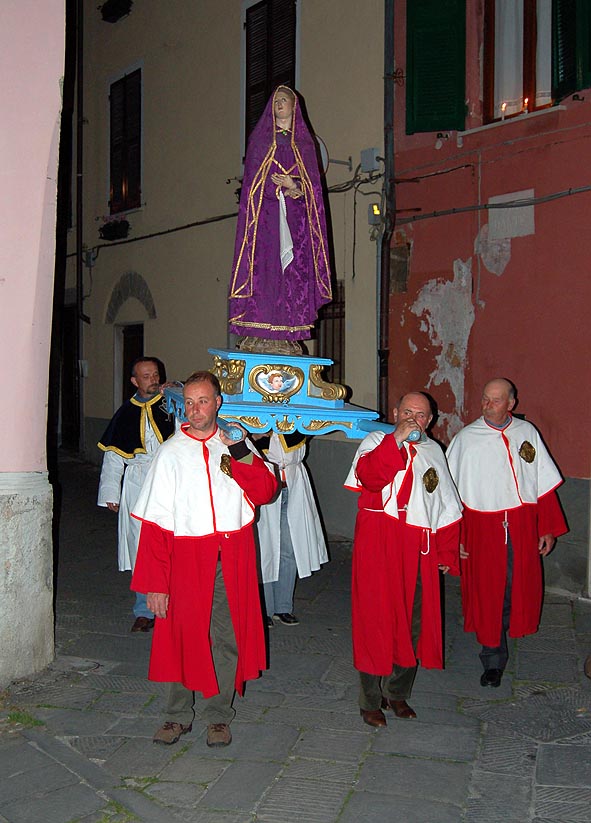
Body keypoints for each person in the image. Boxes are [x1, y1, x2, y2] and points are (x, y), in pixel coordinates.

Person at [130, 372, 278, 748]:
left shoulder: (235, 443)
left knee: (226, 638)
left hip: (232, 556)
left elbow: (265, 491)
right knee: (181, 637)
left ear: (217, 403)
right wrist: (155, 584)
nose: (196, 410)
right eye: (190, 402)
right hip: (185, 557)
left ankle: (218, 716)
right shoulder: (171, 453)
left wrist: (240, 449)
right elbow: (155, 525)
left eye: (203, 401)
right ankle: (177, 715)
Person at [344, 393, 462, 728]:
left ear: (430, 420)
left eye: (420, 415)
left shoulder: (433, 451)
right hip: (379, 544)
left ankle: (397, 692)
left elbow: (446, 505)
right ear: (395, 412)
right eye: (407, 412)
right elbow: (370, 477)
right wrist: (396, 438)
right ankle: (370, 700)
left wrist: (445, 551)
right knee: (374, 620)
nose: (413, 419)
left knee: (413, 622)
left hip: (418, 547)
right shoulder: (375, 441)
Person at [446, 378, 568, 688]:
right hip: (481, 528)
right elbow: (450, 495)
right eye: (485, 399)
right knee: (489, 592)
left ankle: (506, 629)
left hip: (521, 525)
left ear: (511, 404)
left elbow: (541, 483)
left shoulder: (526, 433)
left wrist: (547, 528)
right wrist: (454, 537)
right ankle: (492, 658)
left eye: (496, 400)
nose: (487, 405)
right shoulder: (466, 439)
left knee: (516, 586)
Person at [228, 86, 332, 351]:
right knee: (265, 269)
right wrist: (274, 190)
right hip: (265, 221)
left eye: (284, 100)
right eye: (275, 101)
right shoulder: (261, 142)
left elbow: (313, 191)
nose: (279, 104)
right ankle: (259, 327)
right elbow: (252, 184)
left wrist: (293, 185)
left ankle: (288, 327)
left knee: (292, 273)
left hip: (296, 223)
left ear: (295, 106)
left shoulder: (305, 146)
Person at [97, 357, 176, 632]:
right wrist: (111, 491)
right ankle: (144, 610)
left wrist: (178, 389)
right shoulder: (125, 413)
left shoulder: (171, 403)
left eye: (155, 374)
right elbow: (113, 457)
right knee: (141, 546)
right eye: (146, 376)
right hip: (137, 484)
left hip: (169, 481)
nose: (153, 379)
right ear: (134, 381)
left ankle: (175, 605)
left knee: (172, 542)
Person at [254, 431, 328, 626]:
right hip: (265, 483)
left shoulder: (295, 421)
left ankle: (283, 607)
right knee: (265, 548)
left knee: (290, 547)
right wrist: (255, 436)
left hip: (293, 485)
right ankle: (265, 609)